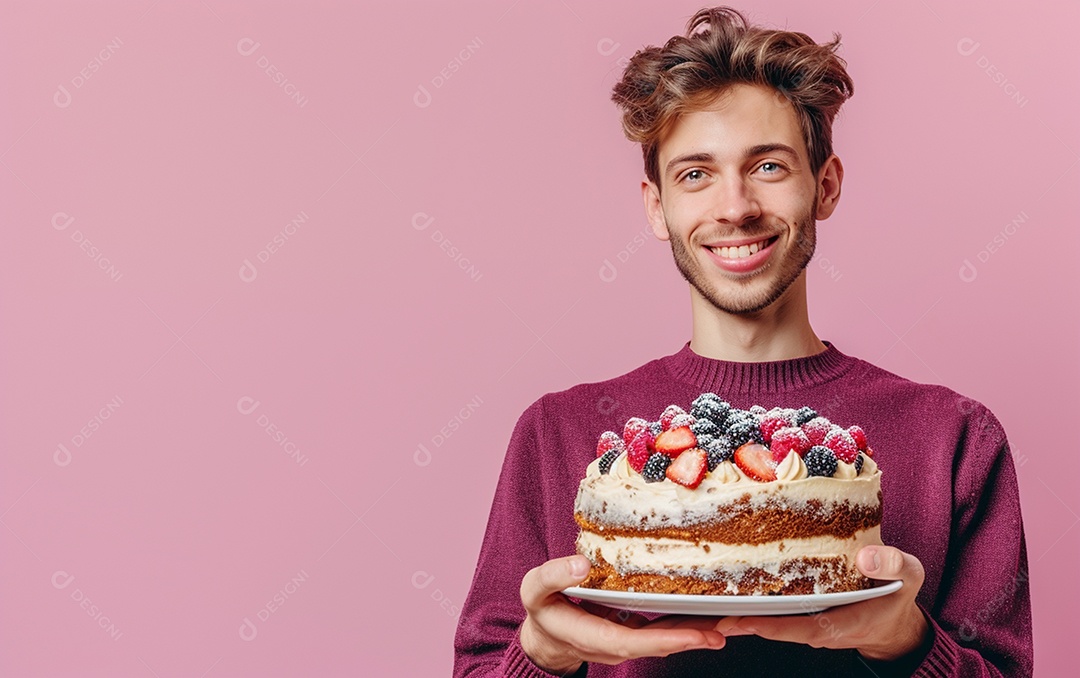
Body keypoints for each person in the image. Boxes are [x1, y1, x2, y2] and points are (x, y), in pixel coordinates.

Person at [453, 7, 1032, 677]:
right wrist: (543, 654)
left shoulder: (954, 436)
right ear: (656, 205)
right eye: (695, 174)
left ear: (827, 185)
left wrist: (908, 640)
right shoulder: (559, 432)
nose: (734, 207)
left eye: (768, 166)